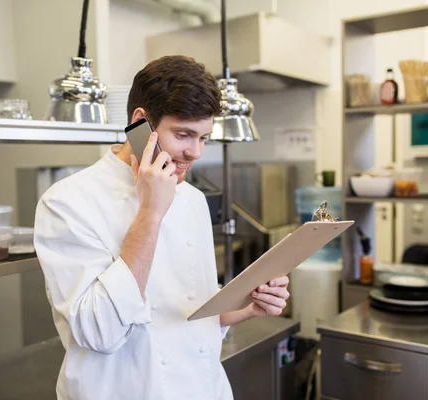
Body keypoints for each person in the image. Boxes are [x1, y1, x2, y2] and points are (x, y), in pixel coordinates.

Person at [34, 55, 290, 400]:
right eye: (184, 134)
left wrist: (246, 307)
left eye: (204, 137)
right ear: (141, 122)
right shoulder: (67, 202)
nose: (195, 152)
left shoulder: (193, 200)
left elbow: (189, 312)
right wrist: (151, 213)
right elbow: (99, 332)